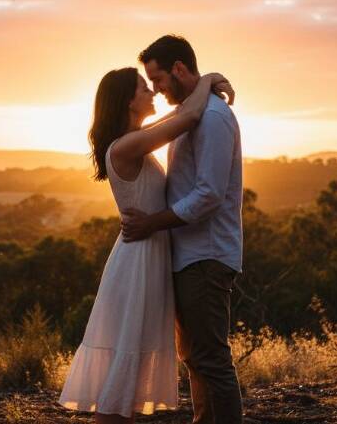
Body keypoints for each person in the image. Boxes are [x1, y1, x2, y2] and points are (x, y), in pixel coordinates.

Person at [58, 59, 234, 423]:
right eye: (143, 88)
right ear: (127, 101)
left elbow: (178, 118)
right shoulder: (126, 146)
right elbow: (186, 119)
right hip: (137, 261)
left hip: (149, 255)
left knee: (131, 372)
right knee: (124, 370)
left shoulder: (135, 140)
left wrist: (201, 86)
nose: (152, 91)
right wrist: (211, 79)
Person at [122, 35, 244, 424]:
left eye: (156, 79)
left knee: (211, 358)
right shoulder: (191, 115)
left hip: (206, 256)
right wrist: (207, 79)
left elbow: (208, 195)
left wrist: (152, 223)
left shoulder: (213, 117)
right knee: (195, 360)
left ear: (177, 69)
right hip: (187, 256)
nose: (155, 89)